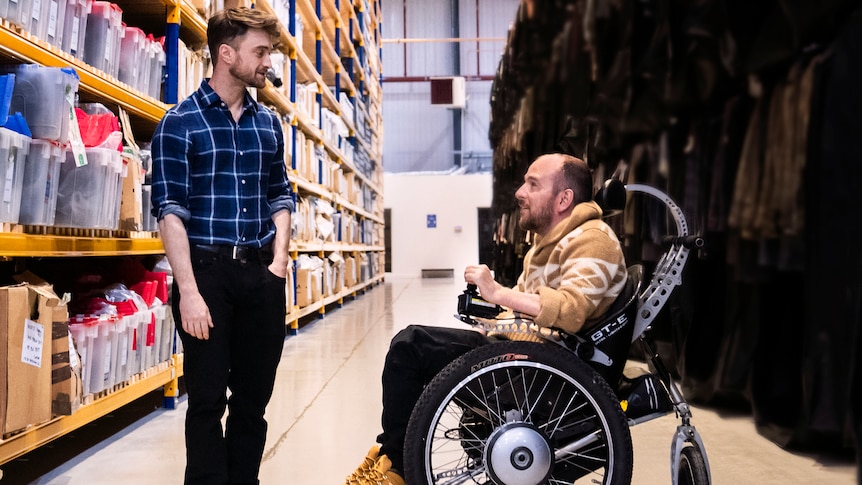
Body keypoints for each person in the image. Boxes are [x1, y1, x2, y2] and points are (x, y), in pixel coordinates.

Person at [345, 153, 628, 484]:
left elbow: (572, 309)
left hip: (544, 373)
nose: (520, 192)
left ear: (564, 198)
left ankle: (397, 468)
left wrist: (498, 293)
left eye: (533, 184)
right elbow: (530, 308)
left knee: (411, 347)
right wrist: (491, 313)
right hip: (530, 358)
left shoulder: (592, 239)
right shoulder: (552, 242)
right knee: (411, 345)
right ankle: (392, 458)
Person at [150, 7, 293, 485]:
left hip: (260, 275)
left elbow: (280, 194)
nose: (267, 61)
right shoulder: (180, 123)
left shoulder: (268, 123)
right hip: (206, 275)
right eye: (260, 51)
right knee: (208, 401)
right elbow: (170, 211)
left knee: (253, 402)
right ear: (226, 54)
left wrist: (278, 263)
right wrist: (188, 291)